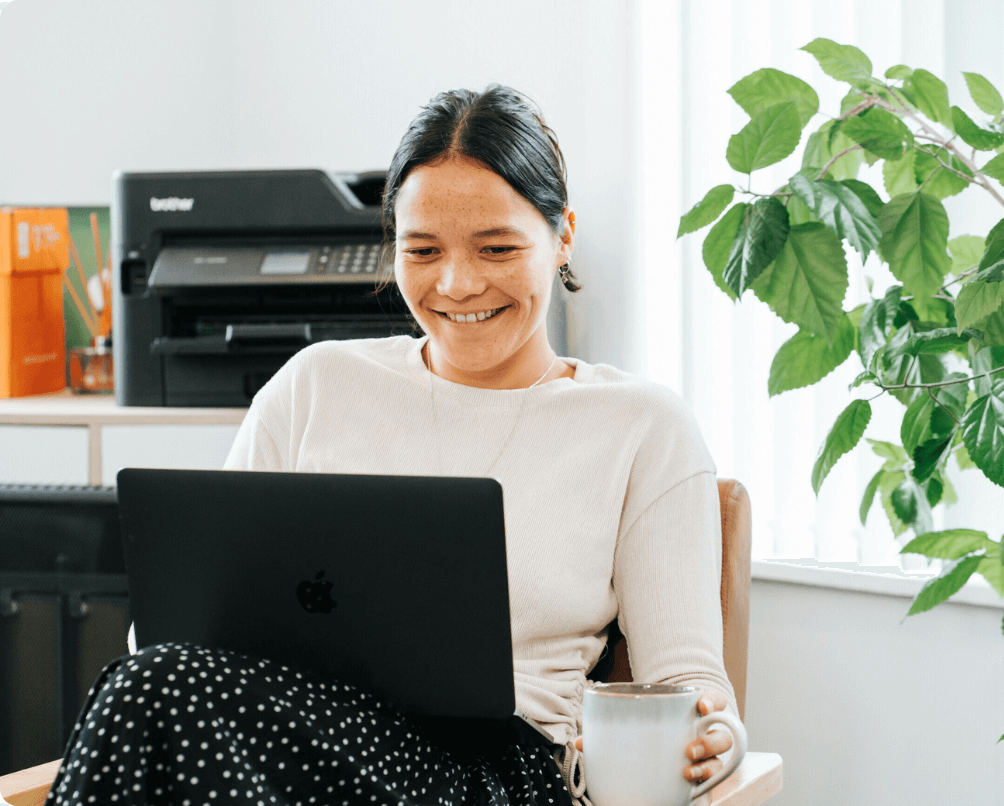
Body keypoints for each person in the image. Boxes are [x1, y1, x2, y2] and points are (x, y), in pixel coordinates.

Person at [45, 84, 738, 806]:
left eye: (497, 248)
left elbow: (688, 681)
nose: (458, 283)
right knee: (152, 683)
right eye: (423, 250)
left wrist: (710, 733)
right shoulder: (315, 384)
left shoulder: (641, 425)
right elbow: (166, 638)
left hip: (494, 769)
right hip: (291, 744)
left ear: (563, 236)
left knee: (158, 693)